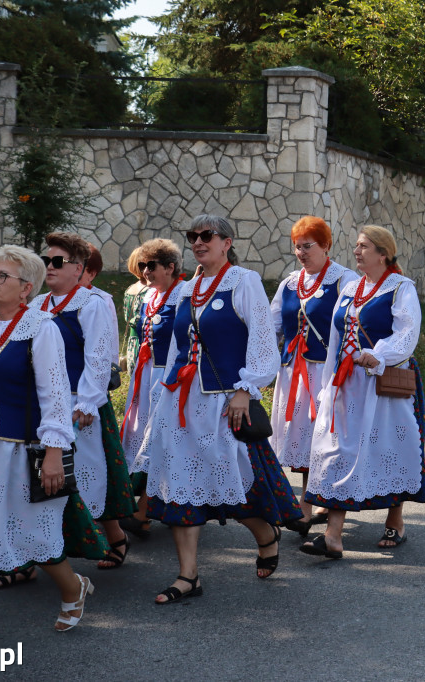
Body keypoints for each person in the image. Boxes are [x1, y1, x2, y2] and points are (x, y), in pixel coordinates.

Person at [0, 245, 99, 645]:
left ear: (26, 287)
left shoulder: (42, 329)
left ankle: (72, 587)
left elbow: (55, 395)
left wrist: (55, 453)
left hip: (20, 450)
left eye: (1, 276)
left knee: (33, 535)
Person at [136, 214, 301, 603]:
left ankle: (264, 533)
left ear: (227, 242)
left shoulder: (243, 282)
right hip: (182, 400)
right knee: (180, 483)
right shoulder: (185, 290)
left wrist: (246, 389)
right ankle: (188, 575)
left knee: (230, 479)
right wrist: (165, 395)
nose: (197, 241)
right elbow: (177, 350)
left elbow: (263, 340)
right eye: (192, 236)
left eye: (206, 235)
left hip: (225, 401)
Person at [301, 225, 425, 558]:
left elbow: (407, 332)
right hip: (348, 384)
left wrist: (380, 354)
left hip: (384, 382)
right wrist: (328, 384)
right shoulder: (352, 289)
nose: (357, 251)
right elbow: (335, 339)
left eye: (364, 246)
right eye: (356, 246)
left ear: (382, 253)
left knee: (389, 449)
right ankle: (333, 536)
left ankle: (395, 519)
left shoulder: (401, 288)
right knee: (339, 451)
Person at [32, 232, 134, 571]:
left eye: (57, 261)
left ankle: (114, 536)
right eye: (46, 260)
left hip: (79, 403)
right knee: (39, 477)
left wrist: (87, 403)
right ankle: (35, 554)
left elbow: (99, 357)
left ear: (79, 268)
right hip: (44, 404)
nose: (49, 266)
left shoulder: (91, 304)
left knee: (88, 475)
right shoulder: (36, 306)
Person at [269, 216, 358, 537]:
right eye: (297, 247)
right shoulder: (290, 283)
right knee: (301, 435)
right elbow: (271, 326)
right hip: (293, 372)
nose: (301, 252)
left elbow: (354, 326)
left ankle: (308, 508)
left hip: (326, 373)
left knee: (323, 437)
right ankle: (308, 504)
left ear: (325, 246)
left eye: (308, 246)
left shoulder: (344, 280)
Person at [122, 239, 188, 541]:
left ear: (170, 268)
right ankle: (146, 510)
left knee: (158, 440)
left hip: (168, 377)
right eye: (143, 265)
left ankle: (145, 511)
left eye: (152, 266)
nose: (145, 271)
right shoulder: (151, 297)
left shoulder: (185, 296)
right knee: (144, 438)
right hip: (147, 375)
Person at [121, 245, 150, 373]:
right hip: (146, 343)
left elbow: (127, 317)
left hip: (132, 343)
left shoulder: (129, 290)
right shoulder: (152, 290)